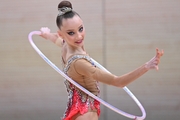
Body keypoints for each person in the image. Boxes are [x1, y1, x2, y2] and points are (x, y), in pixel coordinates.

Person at [40, 1, 164, 120]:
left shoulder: (66, 46)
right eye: (71, 33)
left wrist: (47, 35)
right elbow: (118, 82)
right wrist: (146, 66)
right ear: (62, 34)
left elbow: (56, 39)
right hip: (86, 112)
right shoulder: (79, 63)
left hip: (76, 108)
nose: (79, 36)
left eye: (81, 29)